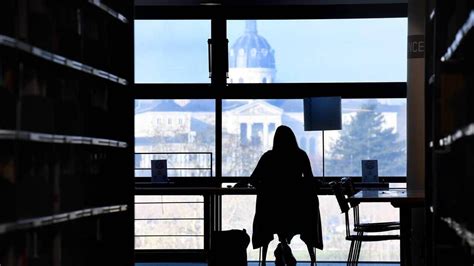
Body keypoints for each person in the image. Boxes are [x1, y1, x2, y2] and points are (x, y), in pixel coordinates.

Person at [250, 125, 323, 266]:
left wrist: (266, 187)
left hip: (272, 211)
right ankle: (310, 257)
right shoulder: (300, 155)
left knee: (271, 223)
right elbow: (309, 179)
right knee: (303, 220)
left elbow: (253, 179)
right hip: (295, 211)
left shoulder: (268, 157)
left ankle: (272, 254)